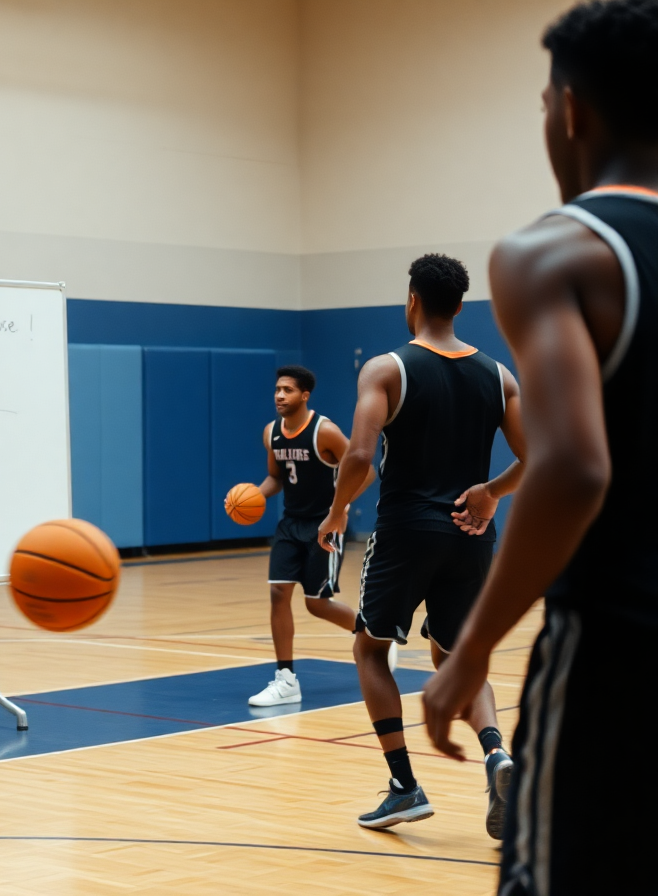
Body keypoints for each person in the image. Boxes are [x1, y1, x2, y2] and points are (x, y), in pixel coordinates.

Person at [423, 2, 657, 892]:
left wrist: (473, 649)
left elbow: (573, 467)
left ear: (570, 110)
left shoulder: (553, 253)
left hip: (619, 650)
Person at [318, 253, 525, 835]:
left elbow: (360, 456)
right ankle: (496, 753)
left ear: (412, 299)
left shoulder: (386, 369)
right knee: (458, 657)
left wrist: (337, 512)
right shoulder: (499, 375)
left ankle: (404, 786)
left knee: (370, 649)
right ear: (459, 305)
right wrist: (490, 493)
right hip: (471, 534)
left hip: (406, 531)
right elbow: (538, 456)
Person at [248, 365, 381, 707]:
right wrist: (252, 496)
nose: (279, 396)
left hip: (324, 526)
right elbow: (276, 478)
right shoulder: (271, 433)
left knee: (316, 603)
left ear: (304, 395)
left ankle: (373, 636)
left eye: (288, 390)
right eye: (277, 389)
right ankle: (286, 679)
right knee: (278, 593)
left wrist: (342, 505)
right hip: (290, 525)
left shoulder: (325, 432)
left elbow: (366, 471)